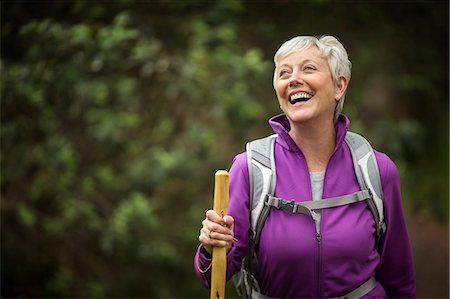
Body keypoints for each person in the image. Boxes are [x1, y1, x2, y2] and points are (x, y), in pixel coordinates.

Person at [194, 35, 416, 298]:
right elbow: (214, 277)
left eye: (308, 68)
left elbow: (399, 279)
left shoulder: (376, 169)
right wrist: (211, 248)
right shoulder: (250, 168)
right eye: (284, 73)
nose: (293, 79)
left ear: (339, 86)